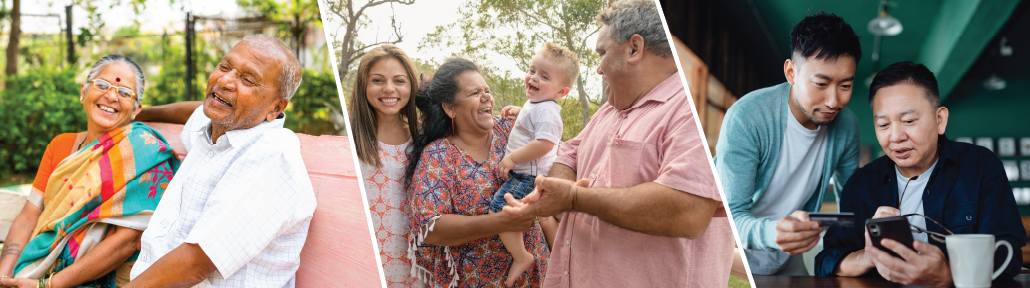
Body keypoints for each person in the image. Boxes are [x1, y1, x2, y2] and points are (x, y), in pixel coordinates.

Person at [506, 0, 733, 286]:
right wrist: (556, 192)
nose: (598, 68)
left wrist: (576, 198)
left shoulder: (687, 110)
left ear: (634, 49)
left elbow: (688, 210)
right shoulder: (610, 108)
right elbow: (567, 155)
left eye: (602, 52)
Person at [124, 35, 316, 287]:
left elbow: (195, 264)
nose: (224, 80)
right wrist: (140, 112)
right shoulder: (218, 127)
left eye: (247, 80)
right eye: (225, 67)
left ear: (275, 108)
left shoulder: (272, 154)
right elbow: (192, 112)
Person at [815, 61, 1026, 286]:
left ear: (939, 120)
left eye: (908, 121)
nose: (895, 137)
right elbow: (826, 261)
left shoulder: (981, 166)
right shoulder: (860, 185)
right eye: (884, 125)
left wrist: (948, 275)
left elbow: (1009, 252)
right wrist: (868, 256)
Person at [0, 55, 180, 288]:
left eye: (125, 92)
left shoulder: (147, 154)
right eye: (103, 85)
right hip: (36, 271)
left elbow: (128, 240)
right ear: (84, 92)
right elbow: (29, 215)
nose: (112, 96)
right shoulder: (60, 146)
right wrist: (5, 276)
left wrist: (47, 286)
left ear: (137, 109)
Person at [714, 12, 862, 275]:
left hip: (789, 257)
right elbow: (731, 214)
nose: (833, 101)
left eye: (845, 85)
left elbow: (851, 205)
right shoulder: (747, 117)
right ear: (791, 72)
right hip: (731, 254)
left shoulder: (847, 126)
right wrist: (773, 233)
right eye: (821, 83)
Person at [406, 58, 547, 287]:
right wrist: (501, 222)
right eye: (474, 93)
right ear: (450, 108)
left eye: (487, 90)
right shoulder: (439, 155)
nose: (486, 98)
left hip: (537, 275)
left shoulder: (513, 130)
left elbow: (556, 152)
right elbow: (428, 227)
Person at [491, 42, 575, 286]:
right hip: (528, 174)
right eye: (532, 70)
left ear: (561, 92)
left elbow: (545, 143)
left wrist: (513, 158)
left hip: (527, 175)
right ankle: (558, 256)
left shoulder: (548, 111)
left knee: (500, 210)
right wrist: (520, 112)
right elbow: (533, 122)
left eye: (544, 76)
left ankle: (521, 256)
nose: (534, 77)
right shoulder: (538, 104)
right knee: (542, 216)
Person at [350, 44, 424, 288]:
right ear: (363, 85)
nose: (389, 89)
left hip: (415, 263)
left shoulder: (425, 138)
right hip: (365, 261)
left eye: (399, 81)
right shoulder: (350, 138)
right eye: (378, 80)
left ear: (411, 86)